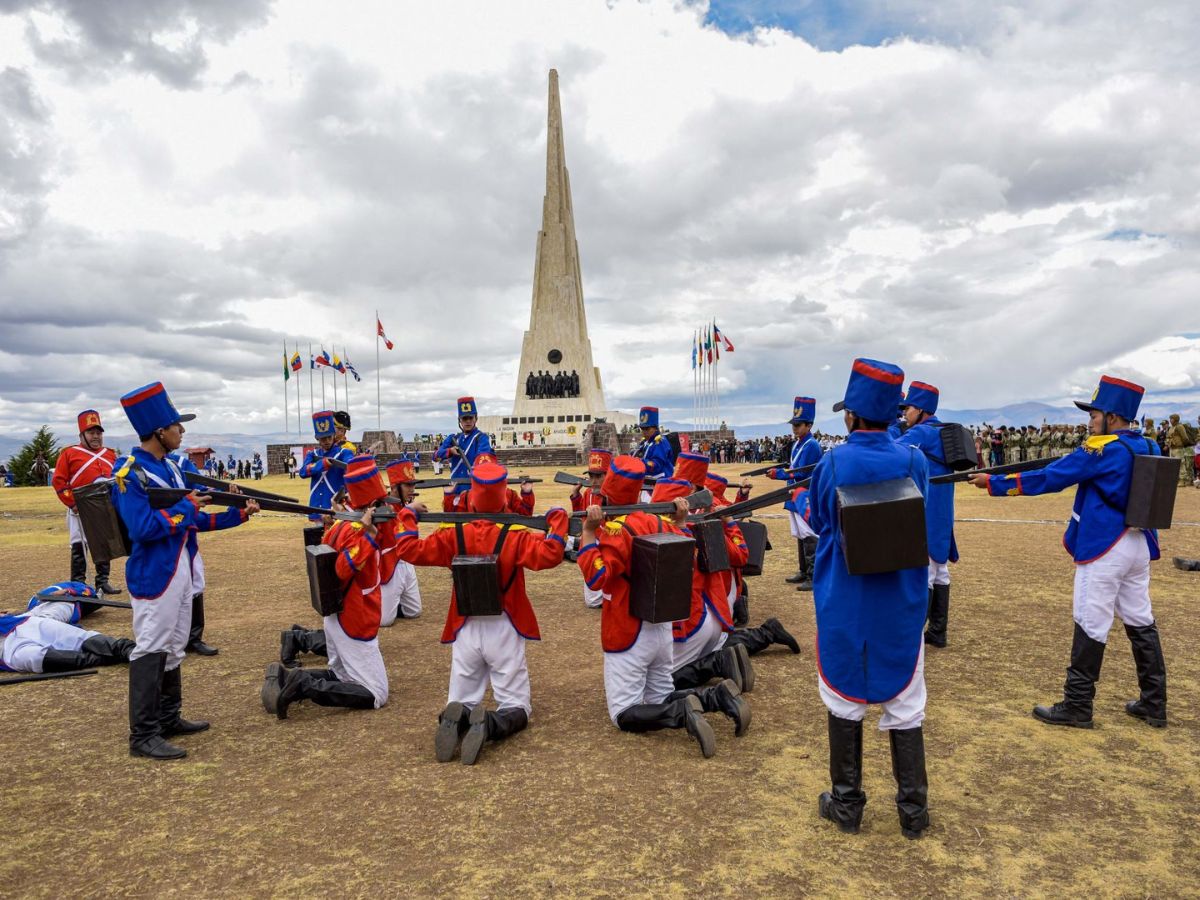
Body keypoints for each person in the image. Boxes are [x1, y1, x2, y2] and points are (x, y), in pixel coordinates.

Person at [968, 375, 1168, 729]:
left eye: (1095, 413)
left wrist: (995, 484)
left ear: (1114, 417)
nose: (1089, 420)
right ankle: (1154, 702)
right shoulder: (1147, 445)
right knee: (1140, 619)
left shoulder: (1102, 449)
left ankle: (1077, 705)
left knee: (1091, 620)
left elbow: (1051, 476)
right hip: (1139, 542)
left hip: (1106, 544)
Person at [809, 358, 931, 839]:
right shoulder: (913, 459)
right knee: (907, 700)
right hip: (899, 598)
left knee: (843, 697)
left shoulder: (833, 461)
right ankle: (913, 812)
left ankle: (847, 804)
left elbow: (822, 521)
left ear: (852, 415)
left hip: (849, 597)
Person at [111, 382, 259, 760]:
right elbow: (142, 528)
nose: (182, 431)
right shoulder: (130, 473)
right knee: (151, 646)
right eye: (177, 425)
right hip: (155, 571)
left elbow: (191, 522)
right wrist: (188, 510)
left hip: (182, 567)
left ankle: (168, 716)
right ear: (160, 431)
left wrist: (238, 514)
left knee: (175, 645)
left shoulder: (171, 471)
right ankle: (142, 735)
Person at [393, 462, 569, 766]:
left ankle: (458, 716)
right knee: (516, 704)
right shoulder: (516, 535)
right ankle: (488, 725)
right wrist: (558, 521)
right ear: (503, 497)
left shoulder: (452, 533)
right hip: (505, 623)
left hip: (465, 624)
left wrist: (408, 516)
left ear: (472, 496)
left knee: (461, 696)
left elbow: (408, 549)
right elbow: (551, 554)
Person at [575, 456, 738, 757]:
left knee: (623, 713)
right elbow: (685, 544)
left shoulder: (615, 530)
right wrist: (678, 522)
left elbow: (597, 577)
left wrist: (587, 535)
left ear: (608, 492)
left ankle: (683, 716)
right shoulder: (660, 522)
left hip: (627, 631)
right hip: (661, 629)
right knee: (661, 695)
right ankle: (715, 698)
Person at [264, 456, 395, 720]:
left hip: (337, 616)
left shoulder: (341, 523)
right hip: (354, 617)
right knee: (376, 693)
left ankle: (287, 676)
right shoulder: (359, 530)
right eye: (380, 503)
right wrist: (369, 538)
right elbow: (343, 569)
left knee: (342, 674)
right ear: (372, 505)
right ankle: (304, 685)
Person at [895, 381, 958, 648]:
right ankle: (938, 630)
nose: (904, 414)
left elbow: (892, 451)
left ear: (920, 409)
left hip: (927, 507)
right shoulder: (943, 431)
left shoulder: (923, 432)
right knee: (940, 570)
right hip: (943, 507)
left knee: (926, 572)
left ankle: (912, 636)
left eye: (908, 408)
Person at [51, 409, 122, 595]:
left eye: (99, 433)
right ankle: (78, 584)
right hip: (79, 507)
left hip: (103, 506)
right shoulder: (69, 453)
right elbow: (59, 481)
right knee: (79, 545)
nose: (96, 436)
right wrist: (72, 503)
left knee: (104, 543)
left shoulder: (110, 454)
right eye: (91, 433)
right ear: (82, 434)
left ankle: (102, 581)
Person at [1, 582, 133, 674]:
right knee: (36, 657)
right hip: (14, 635)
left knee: (76, 638)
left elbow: (88, 592)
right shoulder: (36, 600)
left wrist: (69, 591)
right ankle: (110, 657)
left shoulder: (78, 586)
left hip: (30, 619)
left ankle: (125, 649)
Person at [166, 450, 220, 657]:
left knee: (196, 580)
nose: (180, 433)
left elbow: (202, 490)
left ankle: (193, 636)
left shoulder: (181, 463)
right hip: (164, 532)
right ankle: (172, 638)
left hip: (186, 533)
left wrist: (226, 492)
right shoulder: (140, 465)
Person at [767, 397, 823, 591]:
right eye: (794, 425)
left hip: (805, 494)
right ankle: (803, 570)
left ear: (809, 425)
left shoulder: (812, 446)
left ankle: (813, 575)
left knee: (808, 534)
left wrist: (779, 474)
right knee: (800, 534)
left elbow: (803, 472)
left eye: (798, 425)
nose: (795, 428)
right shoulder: (797, 444)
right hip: (794, 493)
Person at [379, 457, 423, 623]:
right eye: (408, 485)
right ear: (395, 488)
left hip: (406, 562)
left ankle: (391, 602)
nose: (412, 489)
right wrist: (410, 510)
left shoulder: (404, 506)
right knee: (385, 621)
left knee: (414, 611)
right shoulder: (384, 507)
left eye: (413, 485)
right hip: (390, 563)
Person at [570, 449, 612, 608]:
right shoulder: (588, 492)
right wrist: (575, 496)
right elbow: (582, 516)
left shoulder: (615, 495)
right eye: (591, 476)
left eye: (598, 476)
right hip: (592, 543)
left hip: (610, 544)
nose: (593, 480)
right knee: (593, 601)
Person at [434, 397, 493, 512]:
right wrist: (450, 451)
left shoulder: (481, 438)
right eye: (464, 418)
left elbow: (484, 458)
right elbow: (436, 456)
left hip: (473, 491)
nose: (468, 421)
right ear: (460, 420)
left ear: (476, 418)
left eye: (470, 418)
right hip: (454, 490)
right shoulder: (453, 438)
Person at [298, 411, 355, 521]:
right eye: (323, 438)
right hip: (317, 507)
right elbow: (303, 472)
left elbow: (350, 467)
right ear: (317, 438)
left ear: (334, 435)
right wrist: (323, 464)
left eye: (329, 437)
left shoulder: (344, 453)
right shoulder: (312, 454)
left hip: (336, 507)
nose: (327, 441)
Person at [633, 406, 675, 498]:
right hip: (647, 484)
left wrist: (639, 462)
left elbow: (656, 466)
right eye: (642, 429)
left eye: (647, 429)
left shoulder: (660, 442)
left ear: (655, 428)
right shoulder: (644, 442)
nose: (644, 432)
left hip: (659, 485)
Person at [1165, 413, 1194, 486]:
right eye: (1170, 418)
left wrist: (1182, 445)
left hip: (1178, 448)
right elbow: (1168, 437)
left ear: (1176, 419)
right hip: (1171, 448)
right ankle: (1176, 479)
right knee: (1173, 464)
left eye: (1172, 418)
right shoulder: (1171, 428)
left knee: (1181, 464)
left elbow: (1185, 438)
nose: (1170, 420)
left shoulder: (1179, 426)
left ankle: (1182, 480)